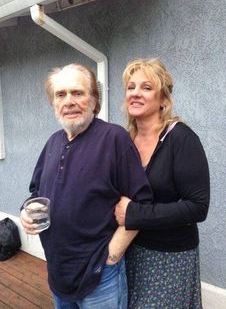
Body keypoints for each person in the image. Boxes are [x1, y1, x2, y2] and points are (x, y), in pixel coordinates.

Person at [20, 63, 153, 309]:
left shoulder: (114, 139)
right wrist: (26, 213)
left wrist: (112, 256)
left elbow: (142, 203)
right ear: (53, 103)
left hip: (100, 277)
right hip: (59, 273)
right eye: (61, 94)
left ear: (94, 100)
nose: (69, 101)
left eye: (78, 93)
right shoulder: (52, 143)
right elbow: (36, 193)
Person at [115, 58, 210, 309]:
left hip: (169, 257)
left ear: (163, 100)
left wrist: (135, 213)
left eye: (146, 87)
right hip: (130, 250)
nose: (135, 93)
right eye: (131, 87)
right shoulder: (126, 140)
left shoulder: (181, 139)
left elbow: (198, 207)